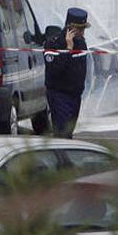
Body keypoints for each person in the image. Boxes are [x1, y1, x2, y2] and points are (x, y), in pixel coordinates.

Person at [44, 7, 90, 138]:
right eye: (79, 29)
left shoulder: (81, 43)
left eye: (83, 29)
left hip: (75, 94)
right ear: (70, 28)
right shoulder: (54, 43)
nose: (82, 32)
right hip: (60, 94)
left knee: (69, 131)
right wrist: (68, 49)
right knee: (62, 133)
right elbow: (54, 70)